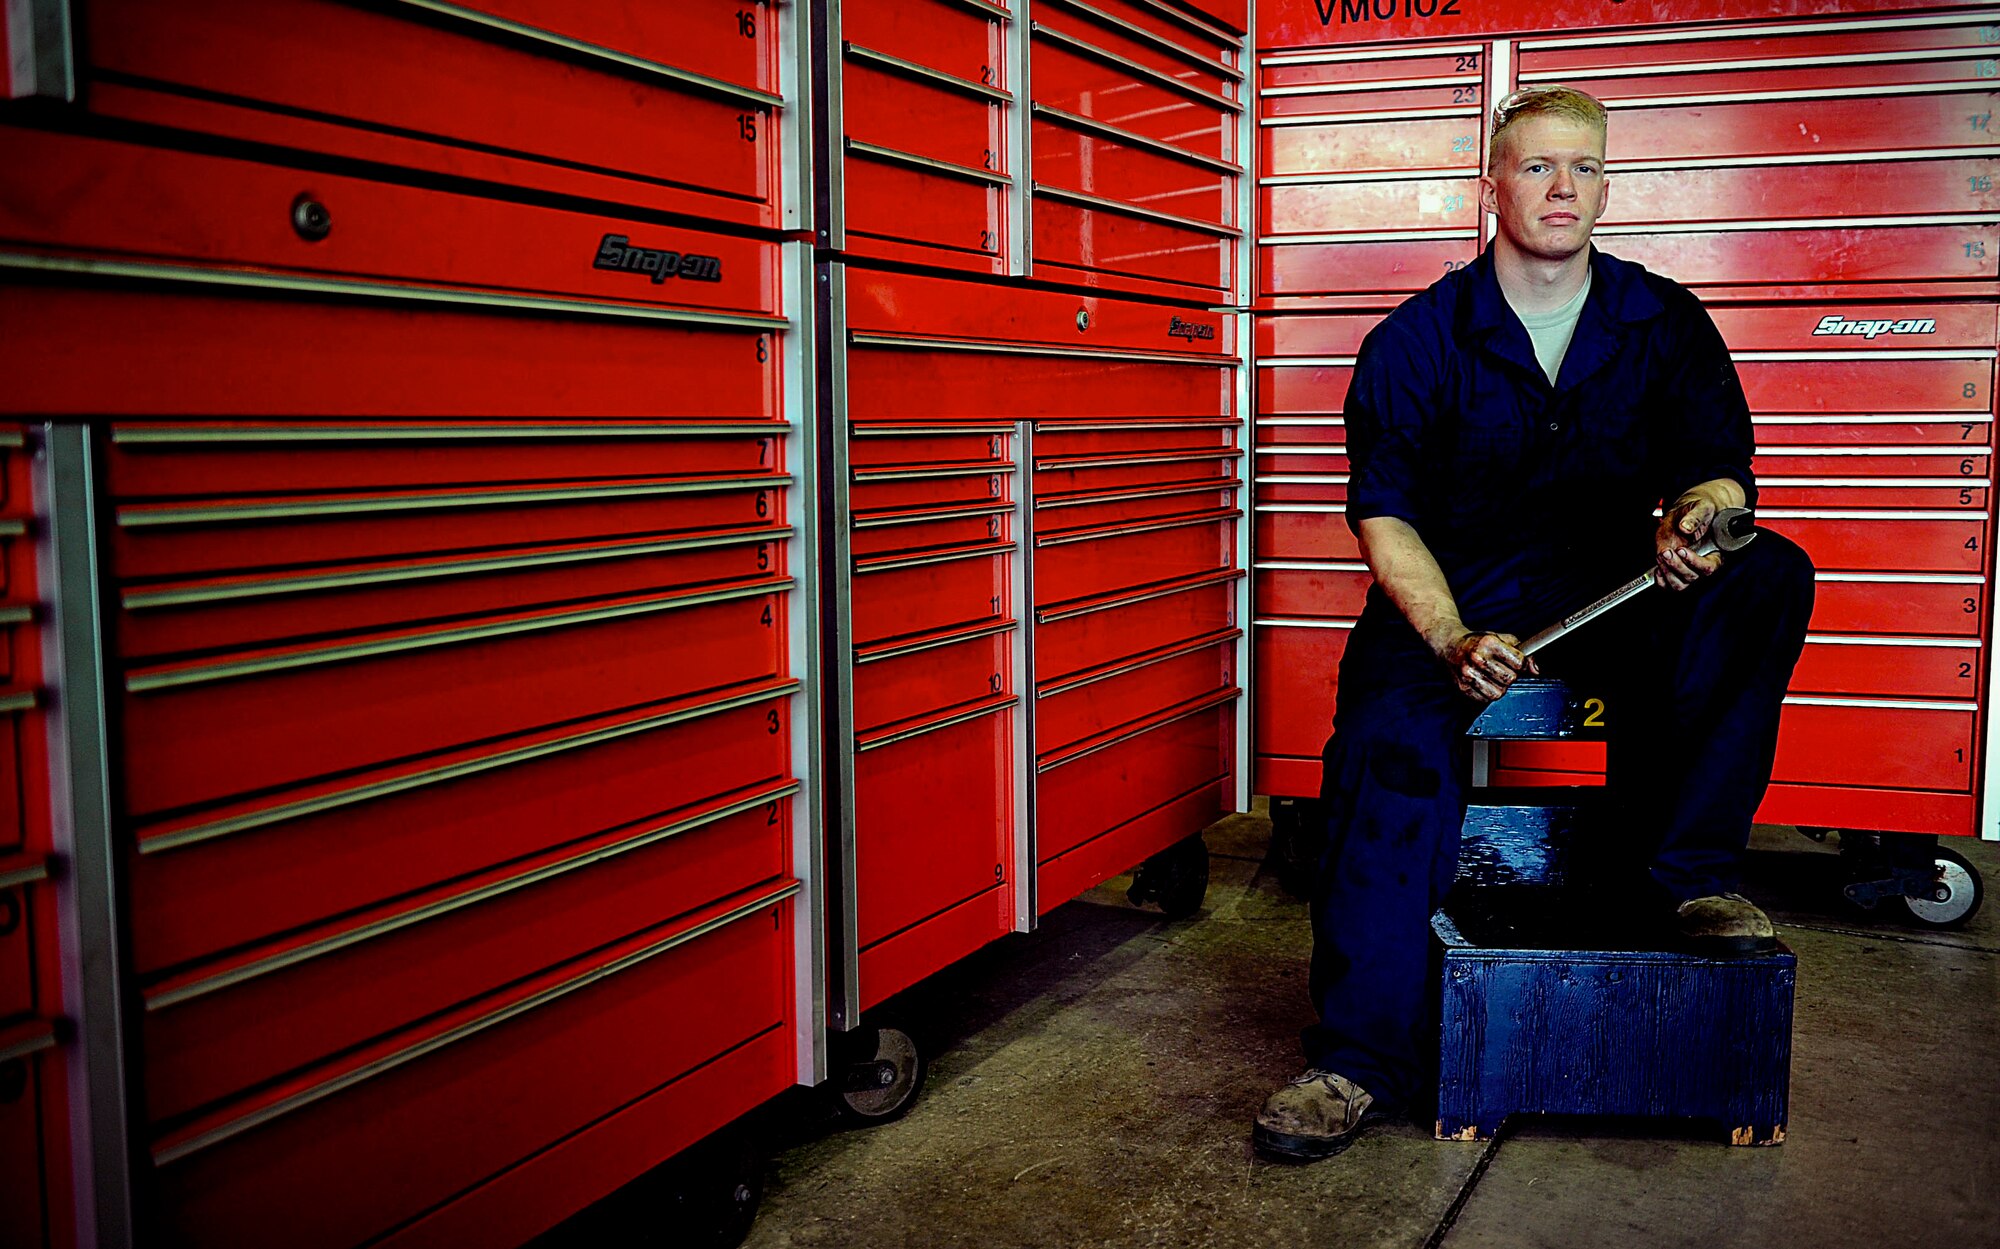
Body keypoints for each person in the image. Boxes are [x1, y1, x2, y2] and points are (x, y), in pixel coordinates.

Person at [1250, 85, 1816, 1163]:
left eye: (1582, 168)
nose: (1561, 187)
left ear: (1605, 186)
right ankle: (1357, 1058)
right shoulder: (1416, 339)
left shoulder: (1662, 322)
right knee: (1384, 750)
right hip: (1450, 605)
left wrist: (1700, 516)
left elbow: (1718, 471)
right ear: (1492, 184)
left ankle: (1687, 878)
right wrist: (1449, 635)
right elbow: (1385, 517)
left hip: (1613, 592)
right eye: (1535, 166)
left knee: (1765, 572)